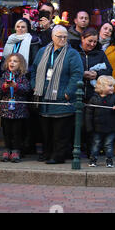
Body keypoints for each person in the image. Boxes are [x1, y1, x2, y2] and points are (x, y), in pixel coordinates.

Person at [30, 25, 83, 164]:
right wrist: (34, 85)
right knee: (46, 131)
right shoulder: (42, 51)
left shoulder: (72, 54)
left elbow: (77, 75)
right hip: (44, 98)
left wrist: (67, 92)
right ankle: (47, 153)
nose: (63, 39)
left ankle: (58, 156)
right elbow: (34, 70)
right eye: (59, 36)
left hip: (62, 99)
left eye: (65, 36)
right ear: (52, 37)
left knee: (60, 133)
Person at [0, 53, 31, 163]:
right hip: (6, 109)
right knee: (7, 131)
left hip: (19, 110)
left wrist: (16, 86)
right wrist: (4, 86)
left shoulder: (22, 76)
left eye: (15, 61)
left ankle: (16, 151)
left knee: (17, 132)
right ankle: (7, 149)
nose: (12, 63)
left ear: (20, 64)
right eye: (10, 61)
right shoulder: (4, 75)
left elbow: (27, 89)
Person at [86, 75, 115, 168]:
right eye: (110, 86)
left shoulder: (114, 98)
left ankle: (109, 159)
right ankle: (93, 158)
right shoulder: (94, 99)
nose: (112, 88)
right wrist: (89, 127)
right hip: (97, 127)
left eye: (113, 86)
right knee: (96, 144)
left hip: (110, 127)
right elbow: (88, 114)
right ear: (102, 87)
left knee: (108, 144)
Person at [75, 28, 113, 102]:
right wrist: (82, 73)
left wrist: (97, 74)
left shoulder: (100, 53)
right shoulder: (74, 52)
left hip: (95, 96)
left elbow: (109, 71)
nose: (92, 44)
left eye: (95, 42)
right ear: (82, 38)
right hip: (76, 94)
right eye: (90, 41)